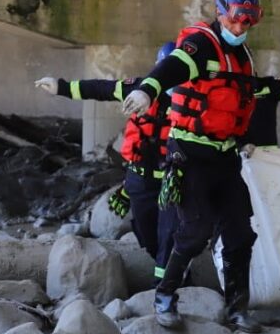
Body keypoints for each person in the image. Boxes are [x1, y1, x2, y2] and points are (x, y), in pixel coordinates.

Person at [122, 0, 262, 331]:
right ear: (219, 12)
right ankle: (164, 295)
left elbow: (241, 99)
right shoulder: (202, 44)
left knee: (241, 234)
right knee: (196, 230)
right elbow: (174, 65)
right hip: (191, 155)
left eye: (249, 20)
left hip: (225, 158)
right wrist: (147, 90)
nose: (242, 26)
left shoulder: (242, 55)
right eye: (236, 19)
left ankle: (237, 309)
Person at [34, 42, 179, 285]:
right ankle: (171, 276)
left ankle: (166, 290)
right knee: (147, 236)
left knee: (169, 235)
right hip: (139, 179)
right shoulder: (138, 89)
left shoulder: (194, 99)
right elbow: (101, 89)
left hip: (172, 181)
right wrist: (61, 87)